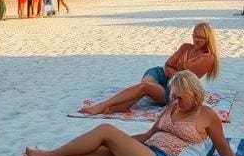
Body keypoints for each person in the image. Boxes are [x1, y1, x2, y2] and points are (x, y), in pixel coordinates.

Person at [25, 71, 244, 156]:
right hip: (150, 154)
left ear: (194, 94)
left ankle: (50, 155)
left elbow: (221, 146)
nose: (176, 100)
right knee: (108, 152)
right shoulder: (170, 108)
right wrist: (121, 144)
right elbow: (149, 135)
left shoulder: (208, 115)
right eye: (174, 96)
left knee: (106, 130)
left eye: (181, 97)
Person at [81, 22, 219, 115]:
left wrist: (174, 71)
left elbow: (186, 80)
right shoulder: (185, 47)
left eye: (201, 37)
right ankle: (125, 105)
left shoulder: (208, 58)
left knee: (145, 87)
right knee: (146, 82)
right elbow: (167, 64)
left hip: (174, 89)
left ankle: (101, 106)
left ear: (208, 39)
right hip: (160, 74)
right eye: (195, 35)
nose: (196, 39)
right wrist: (175, 71)